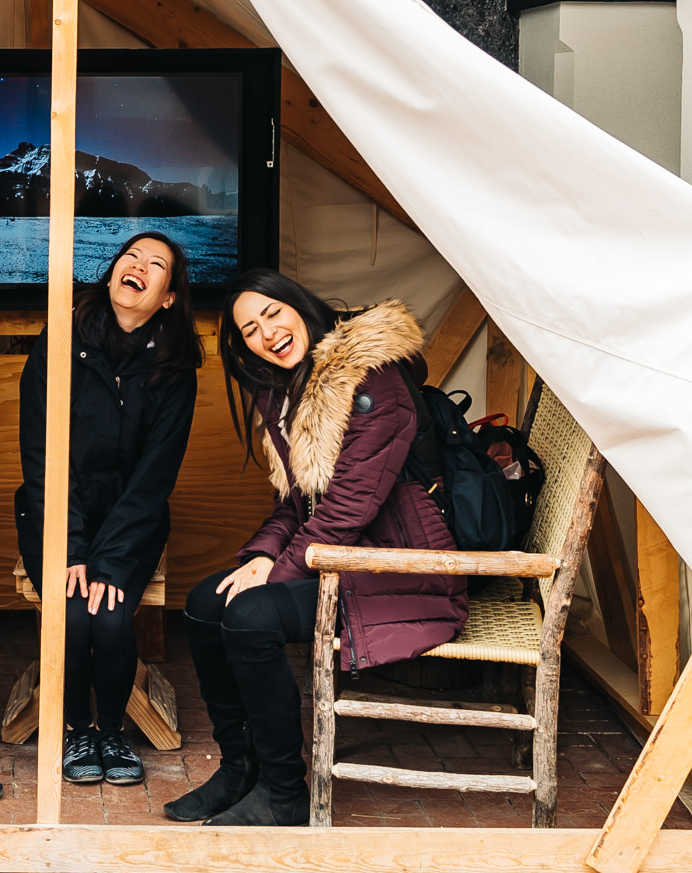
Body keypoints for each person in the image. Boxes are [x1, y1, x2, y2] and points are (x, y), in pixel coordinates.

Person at [167, 271, 467, 827]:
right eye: (250, 329)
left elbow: (351, 504)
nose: (268, 333)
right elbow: (298, 504)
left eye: (273, 313)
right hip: (337, 557)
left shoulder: (375, 380)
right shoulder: (291, 392)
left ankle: (284, 791)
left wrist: (274, 574)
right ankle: (240, 768)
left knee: (252, 614)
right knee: (205, 604)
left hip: (398, 565)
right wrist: (260, 556)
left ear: (301, 307)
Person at [17, 231, 200, 788]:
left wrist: (113, 560)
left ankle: (113, 730)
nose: (138, 267)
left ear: (167, 296)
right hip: (53, 510)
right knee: (73, 613)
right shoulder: (62, 337)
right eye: (130, 257)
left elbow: (154, 478)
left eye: (156, 265)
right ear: (113, 271)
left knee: (113, 613)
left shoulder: (175, 365)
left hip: (132, 520)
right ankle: (77, 729)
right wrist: (71, 547)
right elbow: (42, 454)